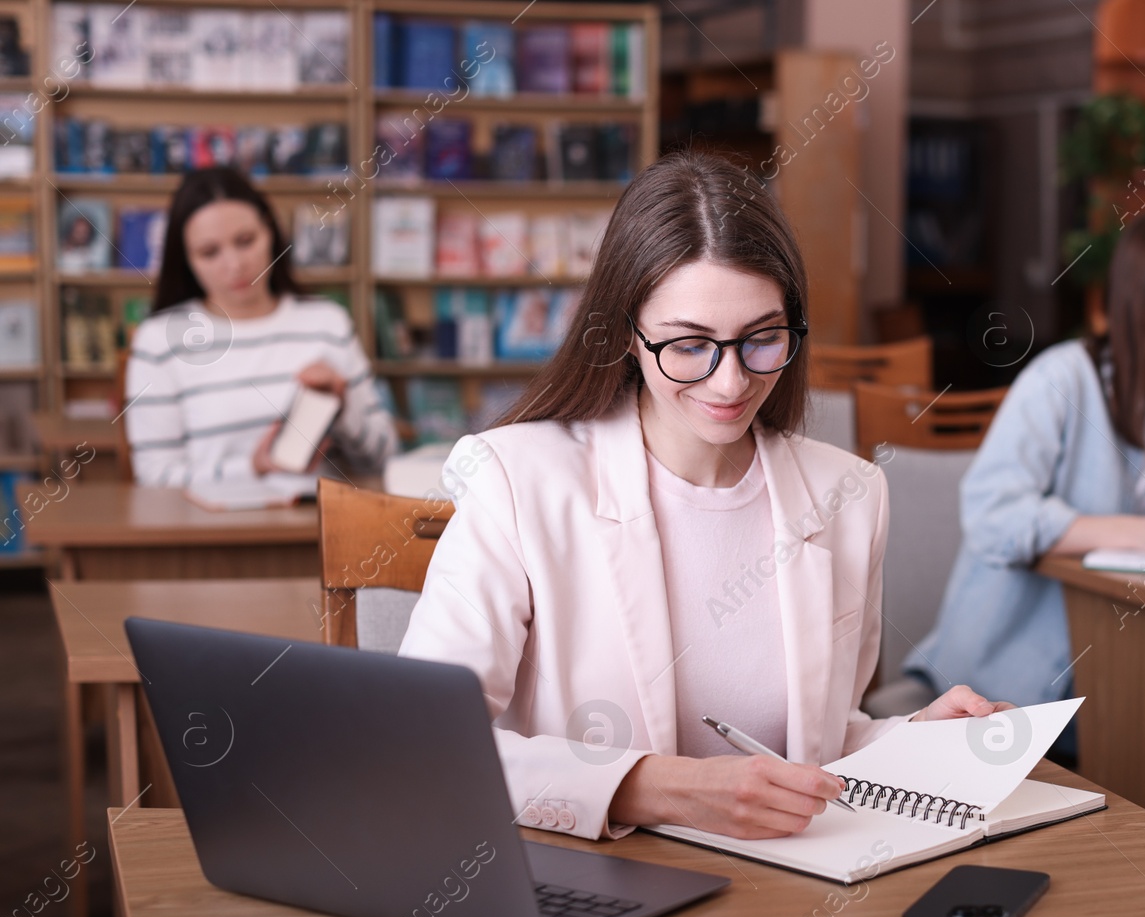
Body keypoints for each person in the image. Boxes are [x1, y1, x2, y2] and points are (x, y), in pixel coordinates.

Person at [397, 151, 1007, 843]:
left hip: (786, 899)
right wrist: (655, 788)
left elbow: (815, 743)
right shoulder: (518, 479)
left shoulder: (850, 496)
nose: (729, 383)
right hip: (596, 890)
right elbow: (422, 742)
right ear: (629, 333)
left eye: (762, 339)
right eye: (689, 345)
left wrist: (917, 740)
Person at [902, 211, 1145, 740]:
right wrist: (1140, 534)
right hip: (1020, 672)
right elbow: (993, 516)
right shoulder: (1062, 379)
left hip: (1132, 656)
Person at [124, 167, 396, 487]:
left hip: (321, 527)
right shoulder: (159, 341)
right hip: (207, 530)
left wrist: (343, 407)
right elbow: (154, 478)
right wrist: (253, 468)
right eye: (209, 252)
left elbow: (384, 459)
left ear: (272, 232)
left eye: (246, 240)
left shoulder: (327, 323)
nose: (235, 265)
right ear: (186, 260)